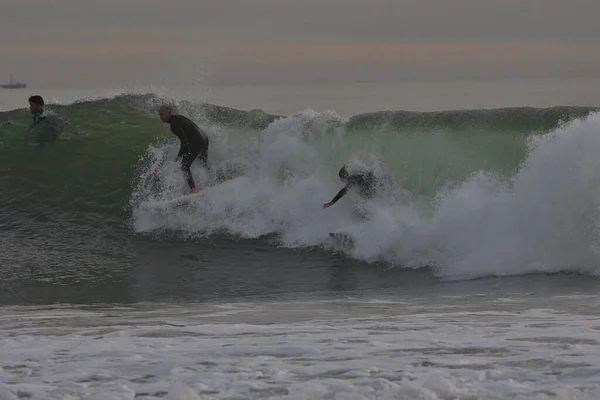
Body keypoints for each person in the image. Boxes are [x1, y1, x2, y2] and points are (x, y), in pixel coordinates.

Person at [158, 105, 210, 193]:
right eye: (159, 115)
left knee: (184, 166)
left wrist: (178, 157)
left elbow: (184, 142)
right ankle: (213, 179)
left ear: (169, 113)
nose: (160, 117)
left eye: (162, 114)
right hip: (204, 139)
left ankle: (194, 190)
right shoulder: (179, 118)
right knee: (203, 162)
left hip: (197, 141)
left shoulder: (174, 125)